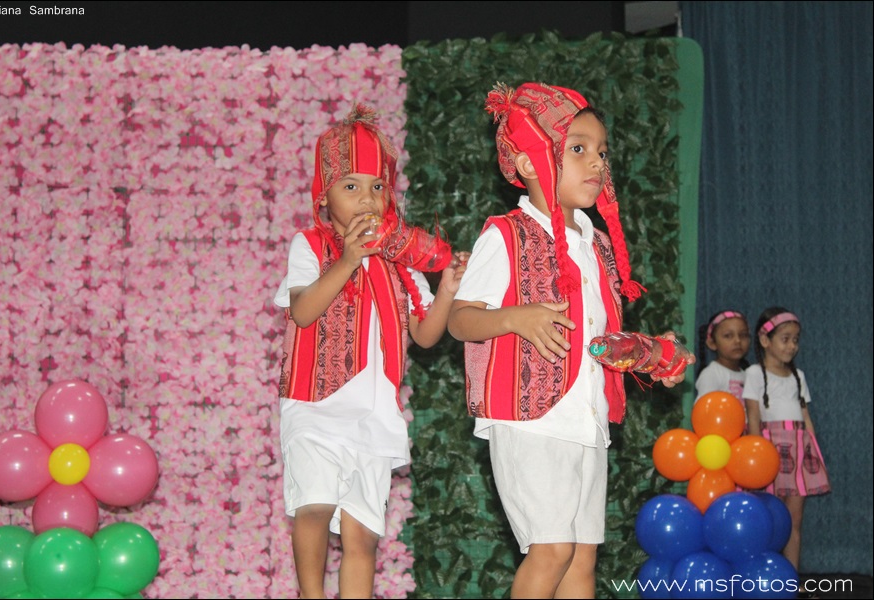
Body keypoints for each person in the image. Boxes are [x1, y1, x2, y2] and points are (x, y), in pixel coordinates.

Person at [447, 82, 691, 599]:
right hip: (531, 418)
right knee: (552, 550)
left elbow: (601, 341)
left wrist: (647, 356)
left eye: (602, 151)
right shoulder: (506, 234)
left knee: (581, 560)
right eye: (578, 148)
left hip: (586, 415)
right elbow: (461, 321)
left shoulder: (596, 242)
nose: (597, 162)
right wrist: (515, 318)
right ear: (529, 161)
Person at [275, 104, 468, 599]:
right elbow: (302, 311)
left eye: (377, 186)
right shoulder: (310, 245)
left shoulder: (400, 261)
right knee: (314, 506)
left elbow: (424, 335)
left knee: (362, 535)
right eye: (351, 186)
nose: (366, 198)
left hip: (375, 412)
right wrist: (347, 260)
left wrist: (447, 290)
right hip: (315, 402)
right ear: (324, 195)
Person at [744, 307, 830, 575]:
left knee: (794, 520)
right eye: (785, 339)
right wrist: (757, 456)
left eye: (795, 339)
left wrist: (812, 451)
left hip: (798, 451)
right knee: (768, 518)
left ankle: (791, 578)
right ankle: (763, 575)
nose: (792, 346)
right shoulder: (754, 374)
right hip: (769, 451)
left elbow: (806, 416)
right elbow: (753, 416)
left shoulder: (798, 376)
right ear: (765, 340)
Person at [695, 310, 751, 405]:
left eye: (743, 335)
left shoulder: (748, 375)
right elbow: (704, 410)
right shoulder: (711, 374)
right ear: (712, 343)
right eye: (728, 336)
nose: (737, 341)